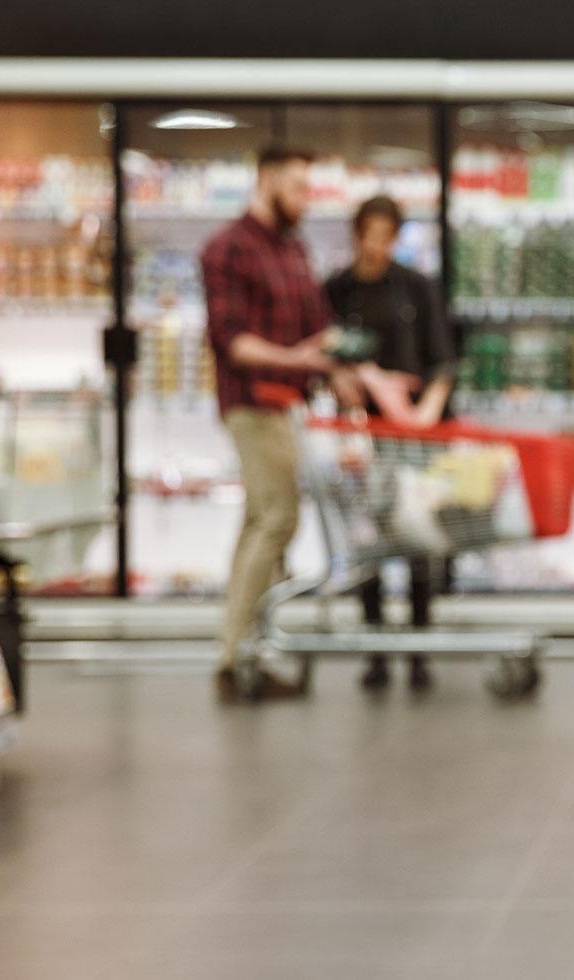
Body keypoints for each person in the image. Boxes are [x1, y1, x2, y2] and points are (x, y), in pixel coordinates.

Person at [202, 146, 361, 702]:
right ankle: (233, 654)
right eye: (296, 187)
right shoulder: (228, 250)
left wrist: (346, 366)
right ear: (265, 182)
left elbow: (321, 327)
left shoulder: (293, 251)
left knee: (260, 522)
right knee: (277, 520)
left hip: (290, 408)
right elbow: (232, 342)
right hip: (252, 403)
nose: (305, 198)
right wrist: (304, 360)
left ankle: (251, 650)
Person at [324, 195, 457, 691]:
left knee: (420, 537)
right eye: (368, 235)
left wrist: (424, 416)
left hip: (415, 437)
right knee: (367, 540)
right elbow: (324, 357)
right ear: (355, 235)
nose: (377, 246)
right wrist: (340, 381)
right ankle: (375, 650)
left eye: (386, 236)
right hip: (358, 437)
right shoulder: (335, 290)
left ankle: (420, 651)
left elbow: (443, 360)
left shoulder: (418, 288)